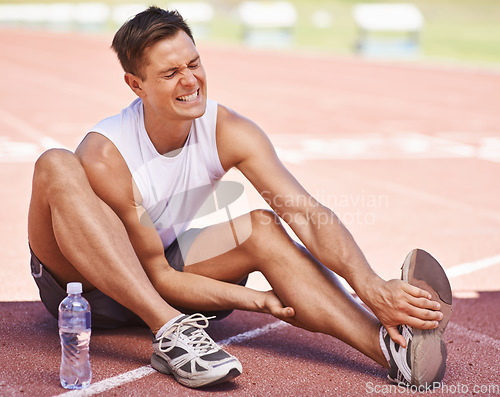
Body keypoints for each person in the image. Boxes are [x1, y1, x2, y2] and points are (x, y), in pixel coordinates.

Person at [28, 6, 451, 390]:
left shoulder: (228, 130)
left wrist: (371, 285)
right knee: (55, 162)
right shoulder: (108, 154)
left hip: (161, 265)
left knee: (264, 225)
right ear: (135, 85)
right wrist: (252, 300)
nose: (190, 80)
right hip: (86, 288)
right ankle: (170, 331)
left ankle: (392, 353)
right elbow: (154, 275)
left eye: (194, 63)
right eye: (171, 72)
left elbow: (304, 212)